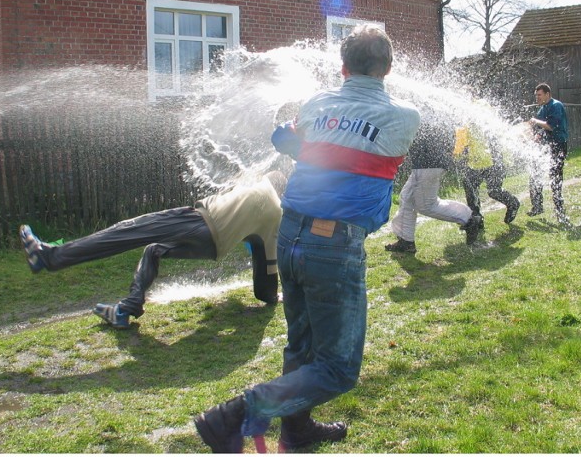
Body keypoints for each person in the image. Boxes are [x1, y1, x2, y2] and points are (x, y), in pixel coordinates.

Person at [193, 25, 420, 453]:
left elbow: (286, 140)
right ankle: (235, 415)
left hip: (291, 232)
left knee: (301, 345)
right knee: (337, 368)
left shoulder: (317, 103)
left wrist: (296, 132)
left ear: (342, 66)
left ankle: (296, 431)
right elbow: (354, 149)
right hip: (333, 246)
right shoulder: (404, 116)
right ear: (388, 68)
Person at [19, 172, 286, 329]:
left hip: (196, 220)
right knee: (154, 249)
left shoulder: (257, 181)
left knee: (127, 230)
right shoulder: (273, 215)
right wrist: (273, 297)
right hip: (211, 246)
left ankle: (49, 257)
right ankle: (126, 309)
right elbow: (265, 276)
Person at [384, 113, 482, 254]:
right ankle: (406, 241)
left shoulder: (413, 114)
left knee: (427, 206)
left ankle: (469, 219)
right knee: (407, 198)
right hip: (429, 165)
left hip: (427, 166)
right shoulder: (429, 115)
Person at [453, 107, 520, 228]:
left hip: (493, 159)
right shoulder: (466, 118)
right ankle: (476, 218)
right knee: (470, 187)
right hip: (476, 162)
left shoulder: (480, 109)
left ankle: (513, 203)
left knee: (493, 191)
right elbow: (462, 143)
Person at [527, 83, 569, 223]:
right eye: (536, 95)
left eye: (539, 95)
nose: (537, 98)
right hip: (547, 146)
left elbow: (550, 126)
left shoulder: (556, 105)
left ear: (547, 94)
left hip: (558, 146)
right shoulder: (543, 108)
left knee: (555, 179)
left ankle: (560, 213)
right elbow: (541, 128)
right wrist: (537, 136)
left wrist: (535, 121)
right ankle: (537, 206)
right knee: (535, 172)